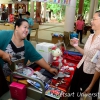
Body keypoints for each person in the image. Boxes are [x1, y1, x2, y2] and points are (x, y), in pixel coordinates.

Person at [68, 10, 100, 100]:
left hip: (90, 75)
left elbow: (99, 67)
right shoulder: (91, 36)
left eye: (94, 19)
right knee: (74, 93)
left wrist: (91, 86)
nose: (91, 21)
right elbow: (86, 54)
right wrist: (75, 46)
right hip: (80, 68)